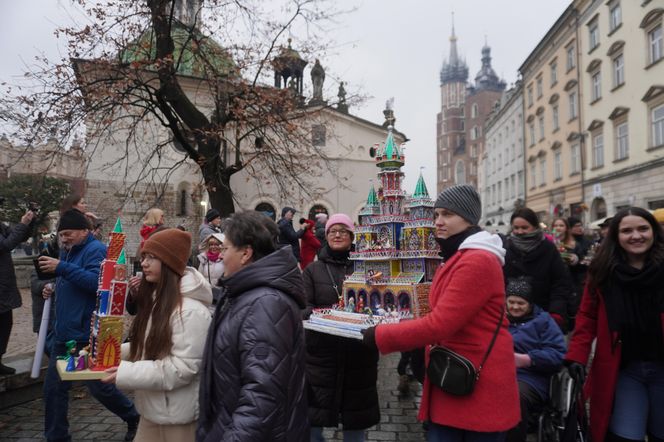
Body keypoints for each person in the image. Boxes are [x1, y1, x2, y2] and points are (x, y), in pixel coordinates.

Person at [362, 185, 519, 441]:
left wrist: (380, 335)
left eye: (447, 214)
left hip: (475, 382)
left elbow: (440, 324)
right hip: (454, 375)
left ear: (467, 217)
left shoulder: (477, 260)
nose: (438, 222)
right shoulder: (458, 255)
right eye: (436, 215)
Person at [197, 211, 308, 441]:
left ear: (246, 253)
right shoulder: (246, 294)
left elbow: (262, 395)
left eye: (226, 249)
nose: (222, 255)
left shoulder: (266, 303)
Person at [38, 209, 140, 441]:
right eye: (61, 234)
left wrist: (61, 269)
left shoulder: (97, 251)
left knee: (99, 387)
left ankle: (133, 417)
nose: (63, 239)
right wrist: (54, 287)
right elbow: (72, 281)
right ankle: (57, 437)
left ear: (84, 231)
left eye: (68, 233)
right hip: (64, 333)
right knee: (53, 390)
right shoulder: (67, 252)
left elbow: (97, 283)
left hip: (86, 334)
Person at [102, 229, 212, 442]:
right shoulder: (158, 300)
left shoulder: (189, 311)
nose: (143, 263)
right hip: (152, 411)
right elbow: (147, 345)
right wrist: (109, 352)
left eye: (152, 257)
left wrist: (126, 372)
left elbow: (183, 368)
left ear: (169, 263)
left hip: (179, 418)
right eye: (144, 257)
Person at [565, 207, 664, 442]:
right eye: (627, 230)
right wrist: (577, 356)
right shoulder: (602, 271)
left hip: (662, 367)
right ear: (616, 237)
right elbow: (587, 316)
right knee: (624, 435)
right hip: (624, 370)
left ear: (654, 231)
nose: (636, 236)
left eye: (643, 228)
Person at [302, 213, 378, 442]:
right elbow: (302, 306)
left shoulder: (367, 268)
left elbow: (378, 303)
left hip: (359, 354)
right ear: (326, 236)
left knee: (356, 422)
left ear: (352, 236)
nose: (337, 235)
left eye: (343, 231)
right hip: (321, 357)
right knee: (313, 421)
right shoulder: (313, 271)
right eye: (333, 231)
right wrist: (323, 317)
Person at [504, 277, 566, 442]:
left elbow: (558, 354)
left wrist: (528, 359)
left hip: (530, 377)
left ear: (530, 304)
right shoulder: (498, 319)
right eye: (511, 302)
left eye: (521, 303)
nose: (515, 307)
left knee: (513, 395)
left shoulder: (543, 322)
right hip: (499, 372)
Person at [503, 208, 574, 330]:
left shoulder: (548, 248)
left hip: (543, 315)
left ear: (535, 227)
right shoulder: (506, 248)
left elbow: (560, 283)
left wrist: (556, 312)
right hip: (510, 316)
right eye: (516, 228)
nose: (519, 231)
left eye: (525, 228)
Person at [0, 208, 35, 374]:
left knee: (5, 323)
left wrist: (28, 221)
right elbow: (6, 245)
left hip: (3, 284)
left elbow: (18, 236)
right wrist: (23, 224)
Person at [552, 217, 588, 327]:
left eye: (561, 225)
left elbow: (582, 264)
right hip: (554, 284)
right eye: (556, 225)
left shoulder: (574, 244)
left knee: (572, 315)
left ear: (566, 228)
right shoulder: (549, 243)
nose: (558, 228)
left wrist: (575, 259)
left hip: (571, 284)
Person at [197, 233, 225, 302]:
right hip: (206, 295)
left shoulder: (225, 260)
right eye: (211, 245)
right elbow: (199, 277)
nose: (213, 247)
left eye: (216, 245)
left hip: (221, 297)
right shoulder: (204, 259)